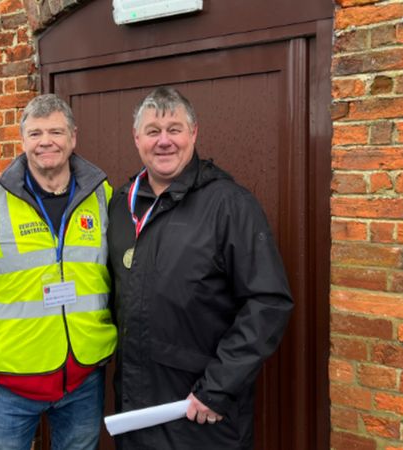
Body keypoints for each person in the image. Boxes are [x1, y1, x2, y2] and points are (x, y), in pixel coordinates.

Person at [107, 87, 294, 449]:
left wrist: (217, 388)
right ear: (136, 138)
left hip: (200, 413)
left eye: (174, 129)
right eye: (153, 131)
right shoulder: (120, 206)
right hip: (136, 413)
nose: (164, 141)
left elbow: (268, 303)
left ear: (194, 133)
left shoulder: (229, 205)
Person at [0, 94, 117, 450]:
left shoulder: (103, 197)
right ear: (22, 140)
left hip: (83, 383)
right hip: (7, 390)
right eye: (35, 134)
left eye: (56, 131)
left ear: (73, 137)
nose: (46, 141)